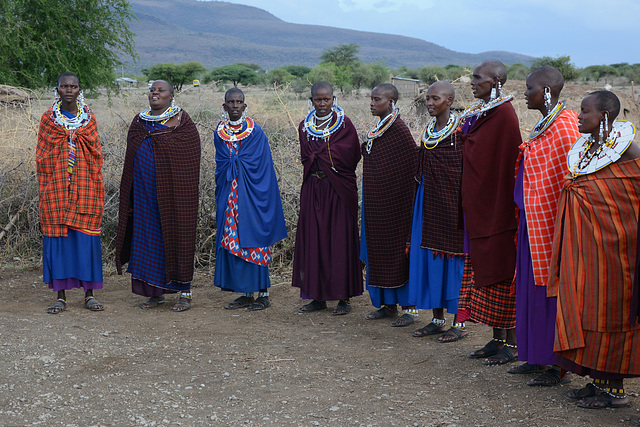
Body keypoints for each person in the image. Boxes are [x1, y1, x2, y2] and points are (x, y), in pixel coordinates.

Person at [549, 90, 640, 409]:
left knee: (612, 312)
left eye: (584, 111)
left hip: (617, 249)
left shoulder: (626, 148)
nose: (577, 115)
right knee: (588, 306)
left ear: (603, 116)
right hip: (587, 248)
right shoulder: (586, 148)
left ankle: (615, 391)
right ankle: (598, 381)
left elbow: (631, 188)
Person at [509, 66, 579, 385]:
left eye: (529, 89)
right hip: (532, 223)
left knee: (551, 294)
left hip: (553, 225)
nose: (524, 93)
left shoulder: (565, 127)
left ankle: (557, 364)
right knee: (531, 291)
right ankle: (536, 356)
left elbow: (570, 180)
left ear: (546, 92)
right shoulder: (544, 124)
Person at [116, 80, 201, 312]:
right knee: (147, 240)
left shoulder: (182, 122)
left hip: (174, 196)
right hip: (143, 195)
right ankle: (155, 293)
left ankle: (185, 292)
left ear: (171, 96)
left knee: (178, 236)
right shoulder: (139, 122)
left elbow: (190, 158)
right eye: (152, 90)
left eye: (160, 90)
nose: (155, 93)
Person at [457, 60, 521, 365]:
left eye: (477, 78)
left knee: (501, 273)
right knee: (485, 273)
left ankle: (512, 344)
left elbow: (506, 165)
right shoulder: (482, 111)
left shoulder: (504, 115)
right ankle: (496, 340)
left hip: (497, 210)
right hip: (479, 206)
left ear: (495, 80)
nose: (471, 82)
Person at [292, 81, 363, 315]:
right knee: (314, 240)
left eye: (327, 99)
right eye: (318, 100)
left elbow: (352, 156)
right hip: (313, 187)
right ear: (310, 100)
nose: (322, 104)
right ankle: (317, 296)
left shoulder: (345, 125)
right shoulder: (304, 126)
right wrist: (317, 161)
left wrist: (325, 160)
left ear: (334, 99)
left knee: (339, 240)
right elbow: (305, 157)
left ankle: (343, 297)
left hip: (338, 189)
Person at [37, 72, 104, 314]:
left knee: (86, 240)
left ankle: (89, 294)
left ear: (79, 90)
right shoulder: (48, 119)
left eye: (73, 86)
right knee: (59, 242)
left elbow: (96, 152)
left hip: (86, 187)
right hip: (56, 188)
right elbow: (42, 155)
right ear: (57, 90)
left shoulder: (89, 119)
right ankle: (60, 296)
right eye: (64, 86)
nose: (68, 90)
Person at [213, 88, 287, 310]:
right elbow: (221, 163)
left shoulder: (256, 133)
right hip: (229, 195)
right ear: (224, 106)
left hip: (253, 195)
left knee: (255, 239)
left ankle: (262, 293)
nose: (235, 106)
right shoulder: (219, 132)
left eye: (239, 102)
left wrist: (246, 178)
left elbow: (263, 168)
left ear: (245, 106)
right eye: (231, 102)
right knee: (234, 241)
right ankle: (245, 292)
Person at [408, 81, 467, 341]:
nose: (430, 103)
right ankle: (437, 318)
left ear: (450, 100)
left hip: (454, 203)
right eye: (428, 99)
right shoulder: (430, 129)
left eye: (436, 99)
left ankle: (460, 323)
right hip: (428, 200)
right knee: (431, 255)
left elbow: (466, 170)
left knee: (454, 258)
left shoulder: (462, 131)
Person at [360, 84, 418, 327]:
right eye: (371, 99)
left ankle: (410, 309)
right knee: (379, 251)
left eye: (377, 99)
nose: (372, 103)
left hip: (396, 206)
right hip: (377, 204)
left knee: (398, 254)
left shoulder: (399, 131)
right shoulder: (380, 128)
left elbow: (409, 169)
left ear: (391, 101)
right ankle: (387, 305)